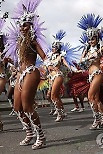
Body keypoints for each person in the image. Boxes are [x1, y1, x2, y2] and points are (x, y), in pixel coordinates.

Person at [4, 0, 49, 150]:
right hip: (20, 74)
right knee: (17, 107)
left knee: (27, 105)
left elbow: (44, 57)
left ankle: (41, 136)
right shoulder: (18, 43)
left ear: (31, 26)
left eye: (25, 25)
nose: (22, 27)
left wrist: (49, 65)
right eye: (21, 25)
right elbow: (18, 62)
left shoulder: (34, 41)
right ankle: (29, 133)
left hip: (31, 72)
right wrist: (10, 62)